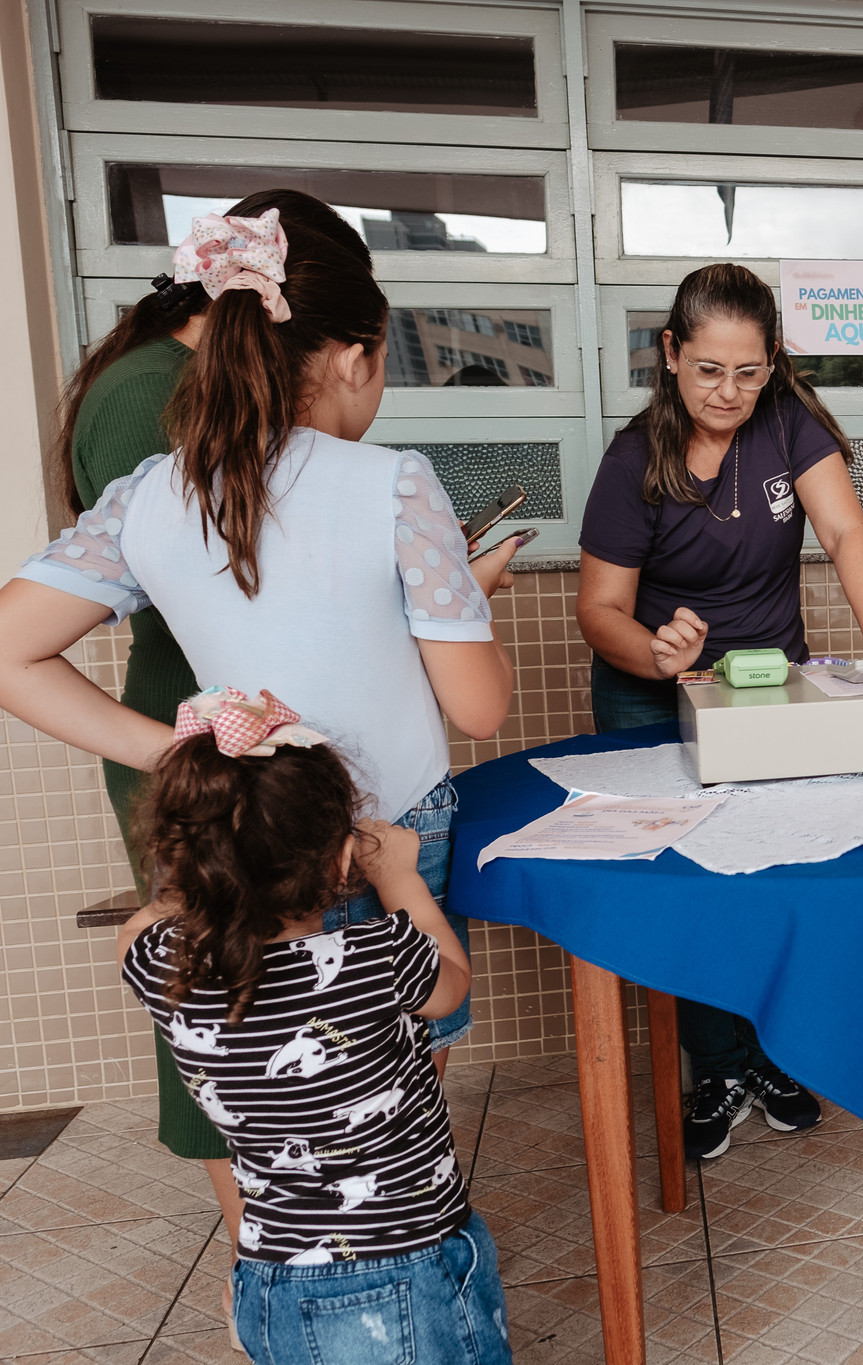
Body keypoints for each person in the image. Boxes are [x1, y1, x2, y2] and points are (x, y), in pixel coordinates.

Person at [0, 203, 519, 1294]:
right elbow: (477, 710)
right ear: (349, 357)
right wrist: (466, 597)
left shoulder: (152, 493)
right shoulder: (395, 485)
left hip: (241, 832)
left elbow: (10, 653)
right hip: (379, 841)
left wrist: (200, 753)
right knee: (392, 1068)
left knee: (263, 1080)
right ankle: (405, 1276)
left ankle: (293, 1287)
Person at [577, 262, 863, 1158]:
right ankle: (717, 1065)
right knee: (695, 880)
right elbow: (599, 610)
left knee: (781, 866)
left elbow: (846, 530)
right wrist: (655, 650)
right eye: (706, 370)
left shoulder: (789, 423)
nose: (727, 392)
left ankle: (774, 1052)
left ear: (772, 361)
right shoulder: (634, 459)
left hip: (771, 684)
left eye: (747, 370)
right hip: (655, 689)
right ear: (669, 354)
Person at [118, 702, 509, 1364]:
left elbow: (136, 929)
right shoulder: (374, 956)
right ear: (339, 864)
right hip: (407, 1270)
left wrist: (199, 871)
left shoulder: (164, 967)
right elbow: (451, 983)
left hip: (268, 1275)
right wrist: (400, 876)